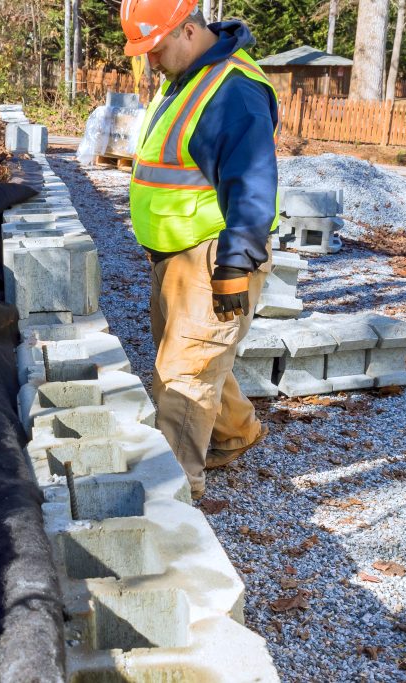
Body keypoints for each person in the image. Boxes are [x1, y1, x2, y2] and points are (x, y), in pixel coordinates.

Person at [119, 0, 278, 499]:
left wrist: (235, 266)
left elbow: (252, 187)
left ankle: (174, 495)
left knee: (182, 376)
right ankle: (233, 433)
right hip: (176, 255)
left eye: (157, 48)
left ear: (189, 30)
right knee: (196, 358)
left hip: (212, 256)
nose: (151, 61)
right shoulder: (186, 76)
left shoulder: (233, 92)